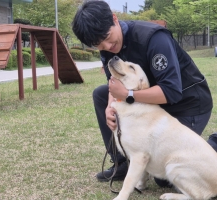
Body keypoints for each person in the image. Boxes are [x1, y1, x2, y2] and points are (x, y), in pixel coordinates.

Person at [72, 0, 215, 187]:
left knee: (163, 179)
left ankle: (212, 148)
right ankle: (122, 162)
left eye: (108, 37)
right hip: (154, 107)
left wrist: (128, 94)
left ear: (114, 19)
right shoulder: (107, 47)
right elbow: (113, 82)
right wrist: (109, 106)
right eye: (98, 45)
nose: (107, 46)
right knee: (101, 94)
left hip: (188, 104)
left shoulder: (154, 38)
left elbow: (171, 91)